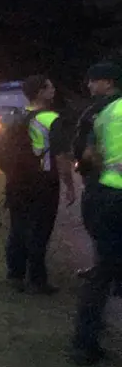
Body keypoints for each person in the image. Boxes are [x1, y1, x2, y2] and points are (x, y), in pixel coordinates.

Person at [4, 75, 75, 294]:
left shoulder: (17, 116)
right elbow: (62, 157)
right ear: (40, 92)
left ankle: (15, 274)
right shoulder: (51, 119)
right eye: (50, 87)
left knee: (18, 227)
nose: (54, 90)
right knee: (39, 230)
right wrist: (70, 185)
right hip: (42, 181)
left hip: (16, 180)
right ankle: (37, 281)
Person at [70, 92, 122, 366]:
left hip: (105, 194)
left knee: (102, 272)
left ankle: (84, 342)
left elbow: (89, 154)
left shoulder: (107, 112)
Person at [73, 62, 122, 298]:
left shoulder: (104, 111)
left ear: (108, 82)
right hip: (102, 179)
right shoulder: (102, 108)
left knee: (102, 230)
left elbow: (90, 149)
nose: (89, 84)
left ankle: (105, 275)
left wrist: (84, 163)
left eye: (94, 80)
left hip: (103, 182)